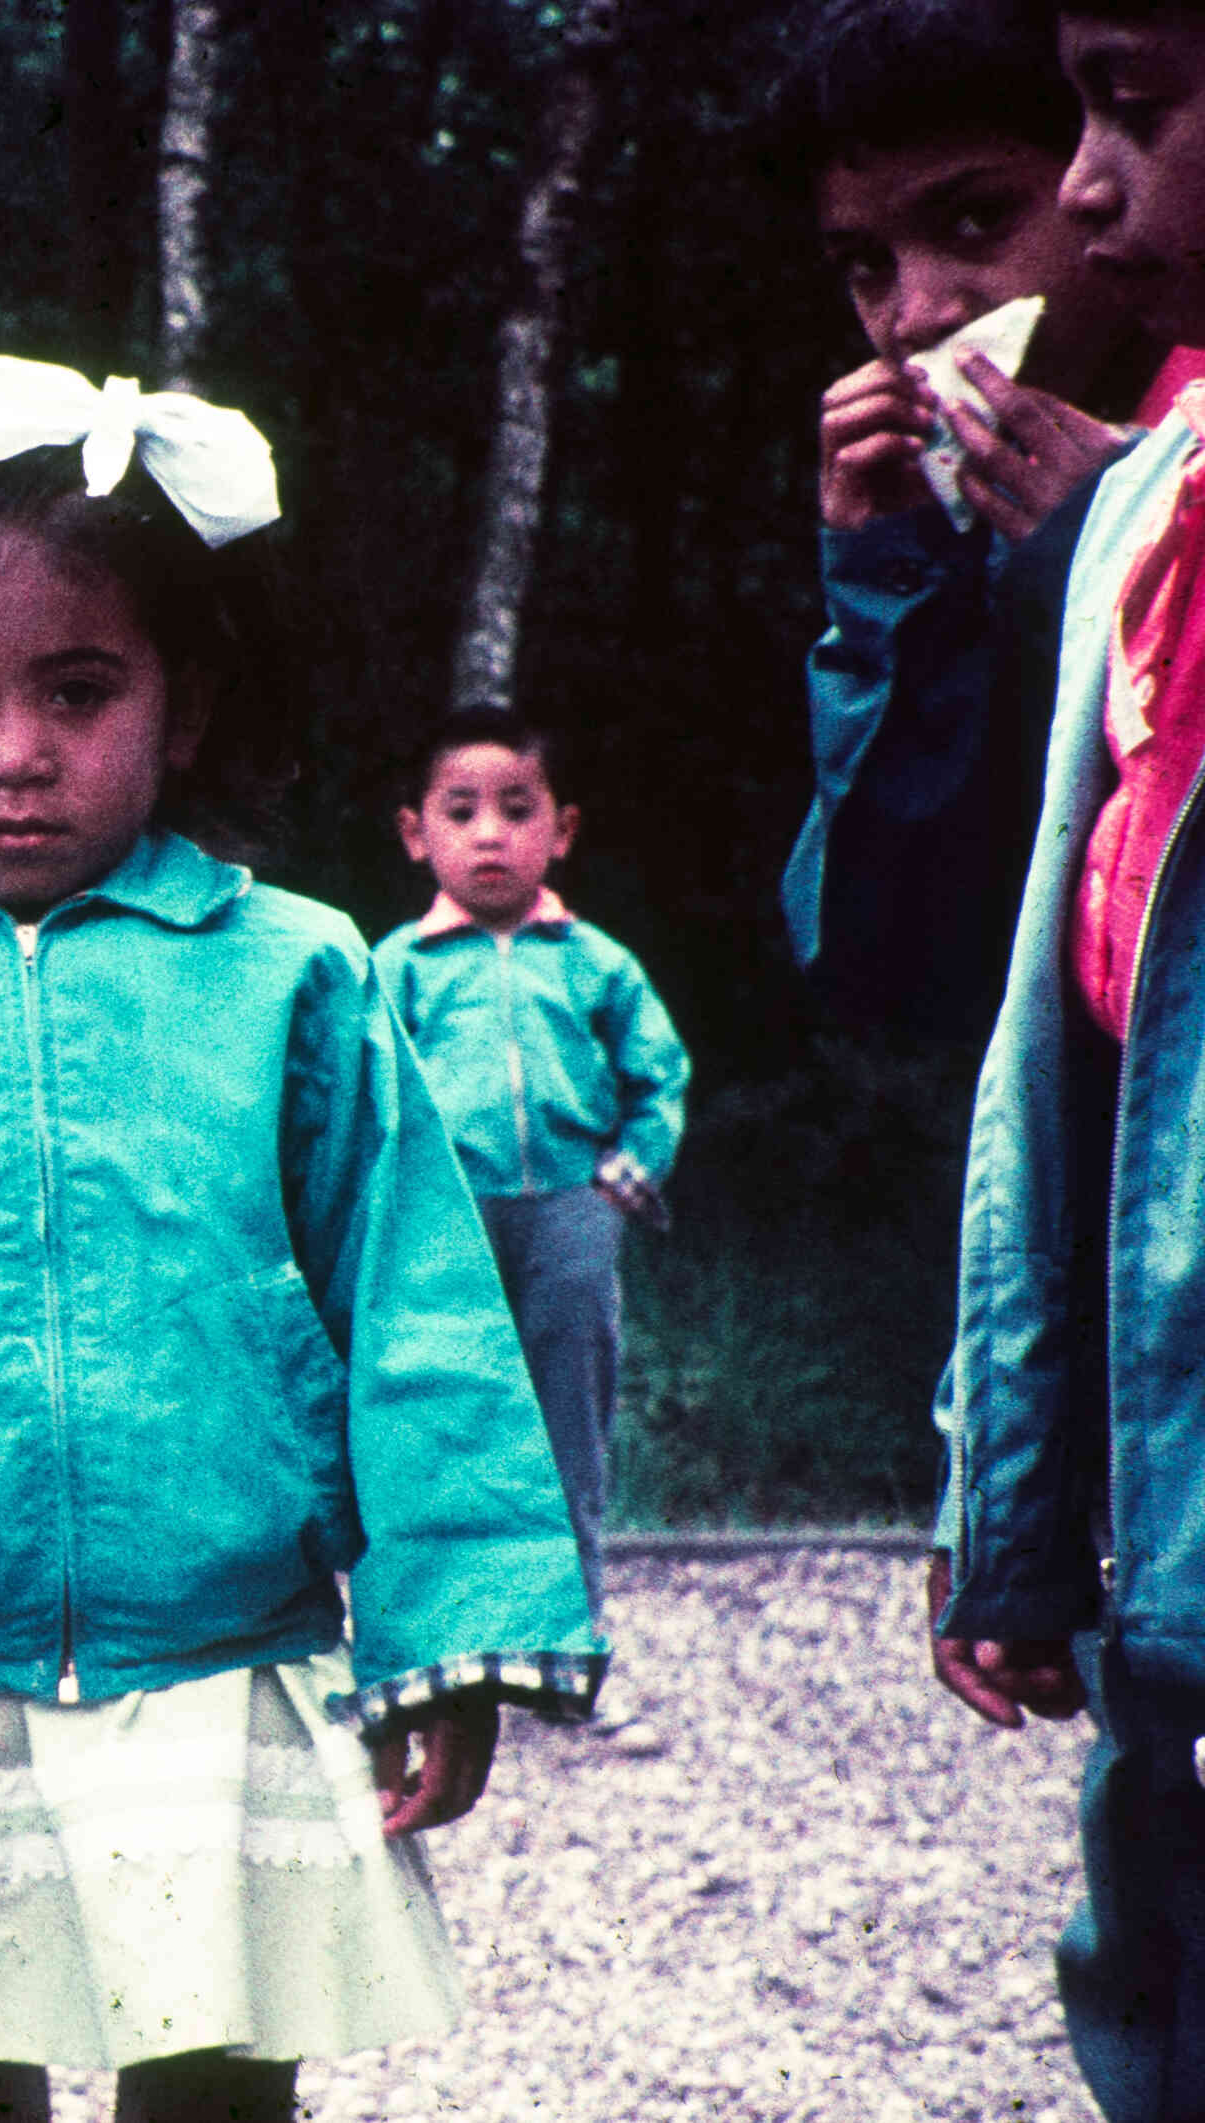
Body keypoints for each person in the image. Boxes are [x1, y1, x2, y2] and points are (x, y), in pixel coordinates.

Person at [0, 358, 600, 2123]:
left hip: (224, 1650)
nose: (14, 751)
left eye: (76, 688)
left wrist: (438, 1628)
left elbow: (416, 1313)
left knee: (218, 2078)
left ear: (182, 697)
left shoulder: (292, 972)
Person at [933, 9, 1205, 2115]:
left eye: (1136, 106)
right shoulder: (1144, 518)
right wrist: (1013, 1505)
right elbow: (1057, 1043)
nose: (1084, 189)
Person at [774, 0, 1194, 1035]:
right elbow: (887, 963)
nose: (916, 314)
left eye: (974, 220)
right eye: (866, 265)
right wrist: (888, 582)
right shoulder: (959, 521)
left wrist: (1111, 551)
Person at [373, 710, 688, 1741]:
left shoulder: (591, 962)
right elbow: (361, 1098)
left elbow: (659, 1077)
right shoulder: (396, 970)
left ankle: (570, 1659)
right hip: (442, 1234)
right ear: (417, 834)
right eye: (460, 812)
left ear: (562, 829)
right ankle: (443, 1663)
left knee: (566, 1444)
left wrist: (620, 1178)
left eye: (517, 809)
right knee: (444, 1431)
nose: (490, 834)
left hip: (566, 1216)